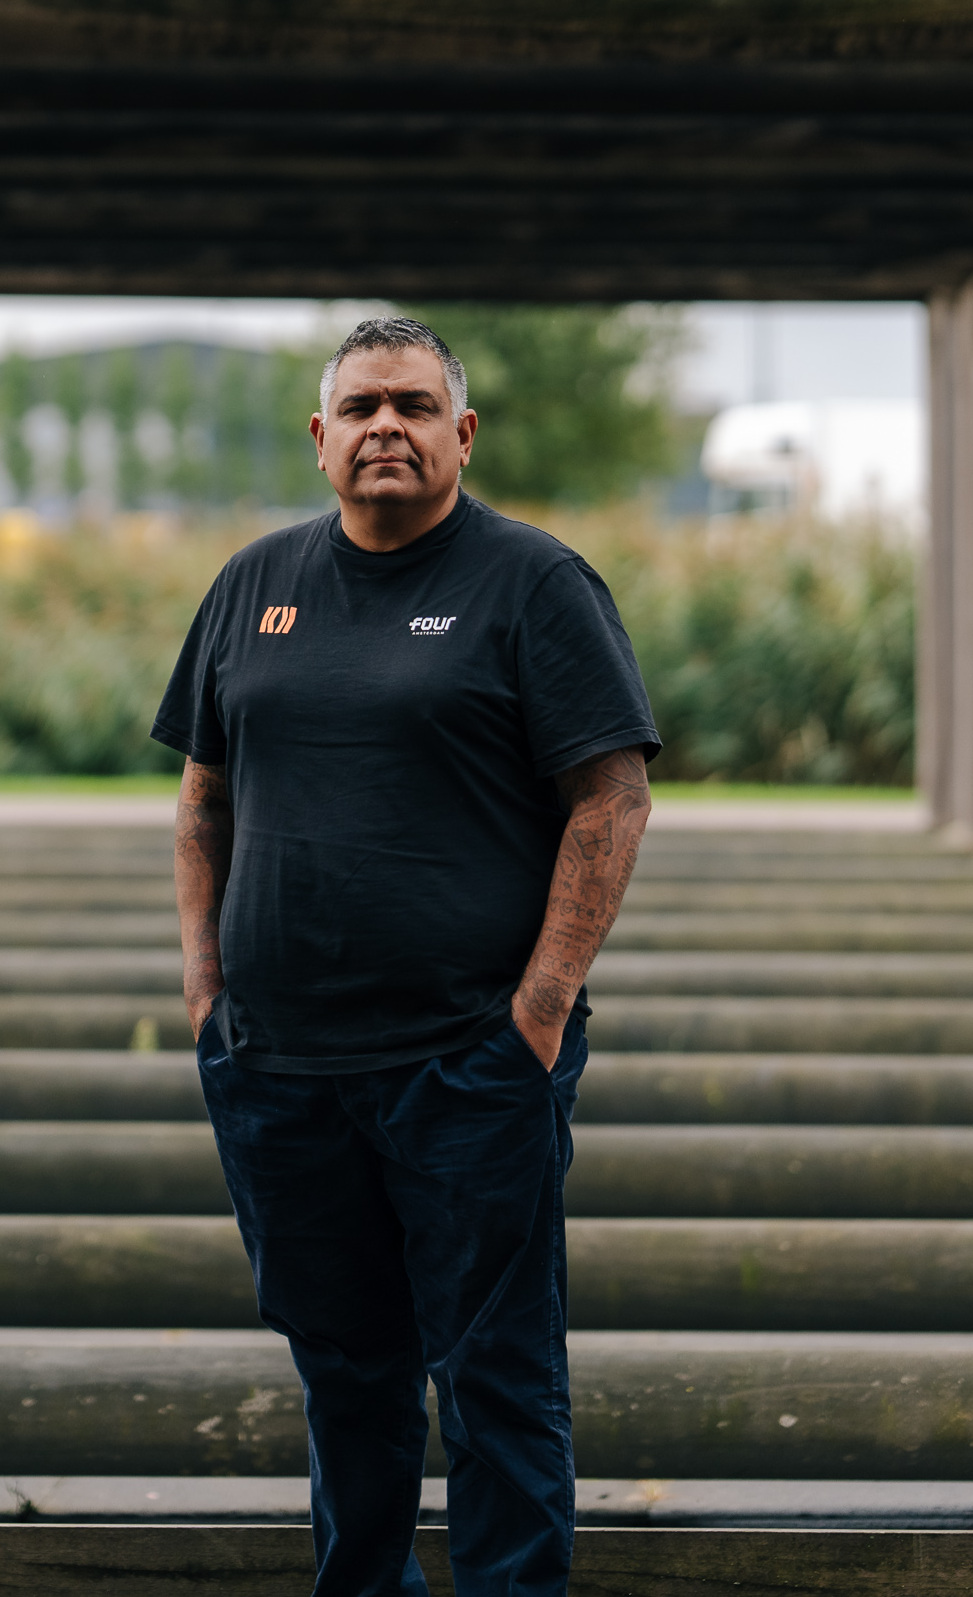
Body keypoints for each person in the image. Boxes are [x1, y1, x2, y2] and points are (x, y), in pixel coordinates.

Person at [152, 316, 659, 1597]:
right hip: (282, 1072)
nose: (388, 426)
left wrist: (536, 1017)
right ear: (321, 441)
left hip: (466, 1067)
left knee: (496, 1379)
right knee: (345, 1372)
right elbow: (202, 801)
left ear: (462, 434)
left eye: (416, 406)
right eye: (362, 407)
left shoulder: (534, 586)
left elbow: (612, 802)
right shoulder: (250, 585)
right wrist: (210, 997)